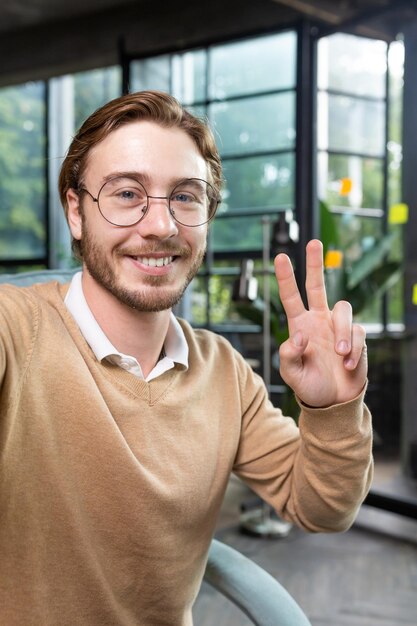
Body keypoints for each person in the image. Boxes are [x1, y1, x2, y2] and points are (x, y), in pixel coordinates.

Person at [0, 90, 372, 626]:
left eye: (185, 197)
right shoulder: (17, 330)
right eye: (127, 194)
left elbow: (322, 507)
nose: (161, 226)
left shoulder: (223, 372)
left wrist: (333, 410)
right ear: (76, 212)